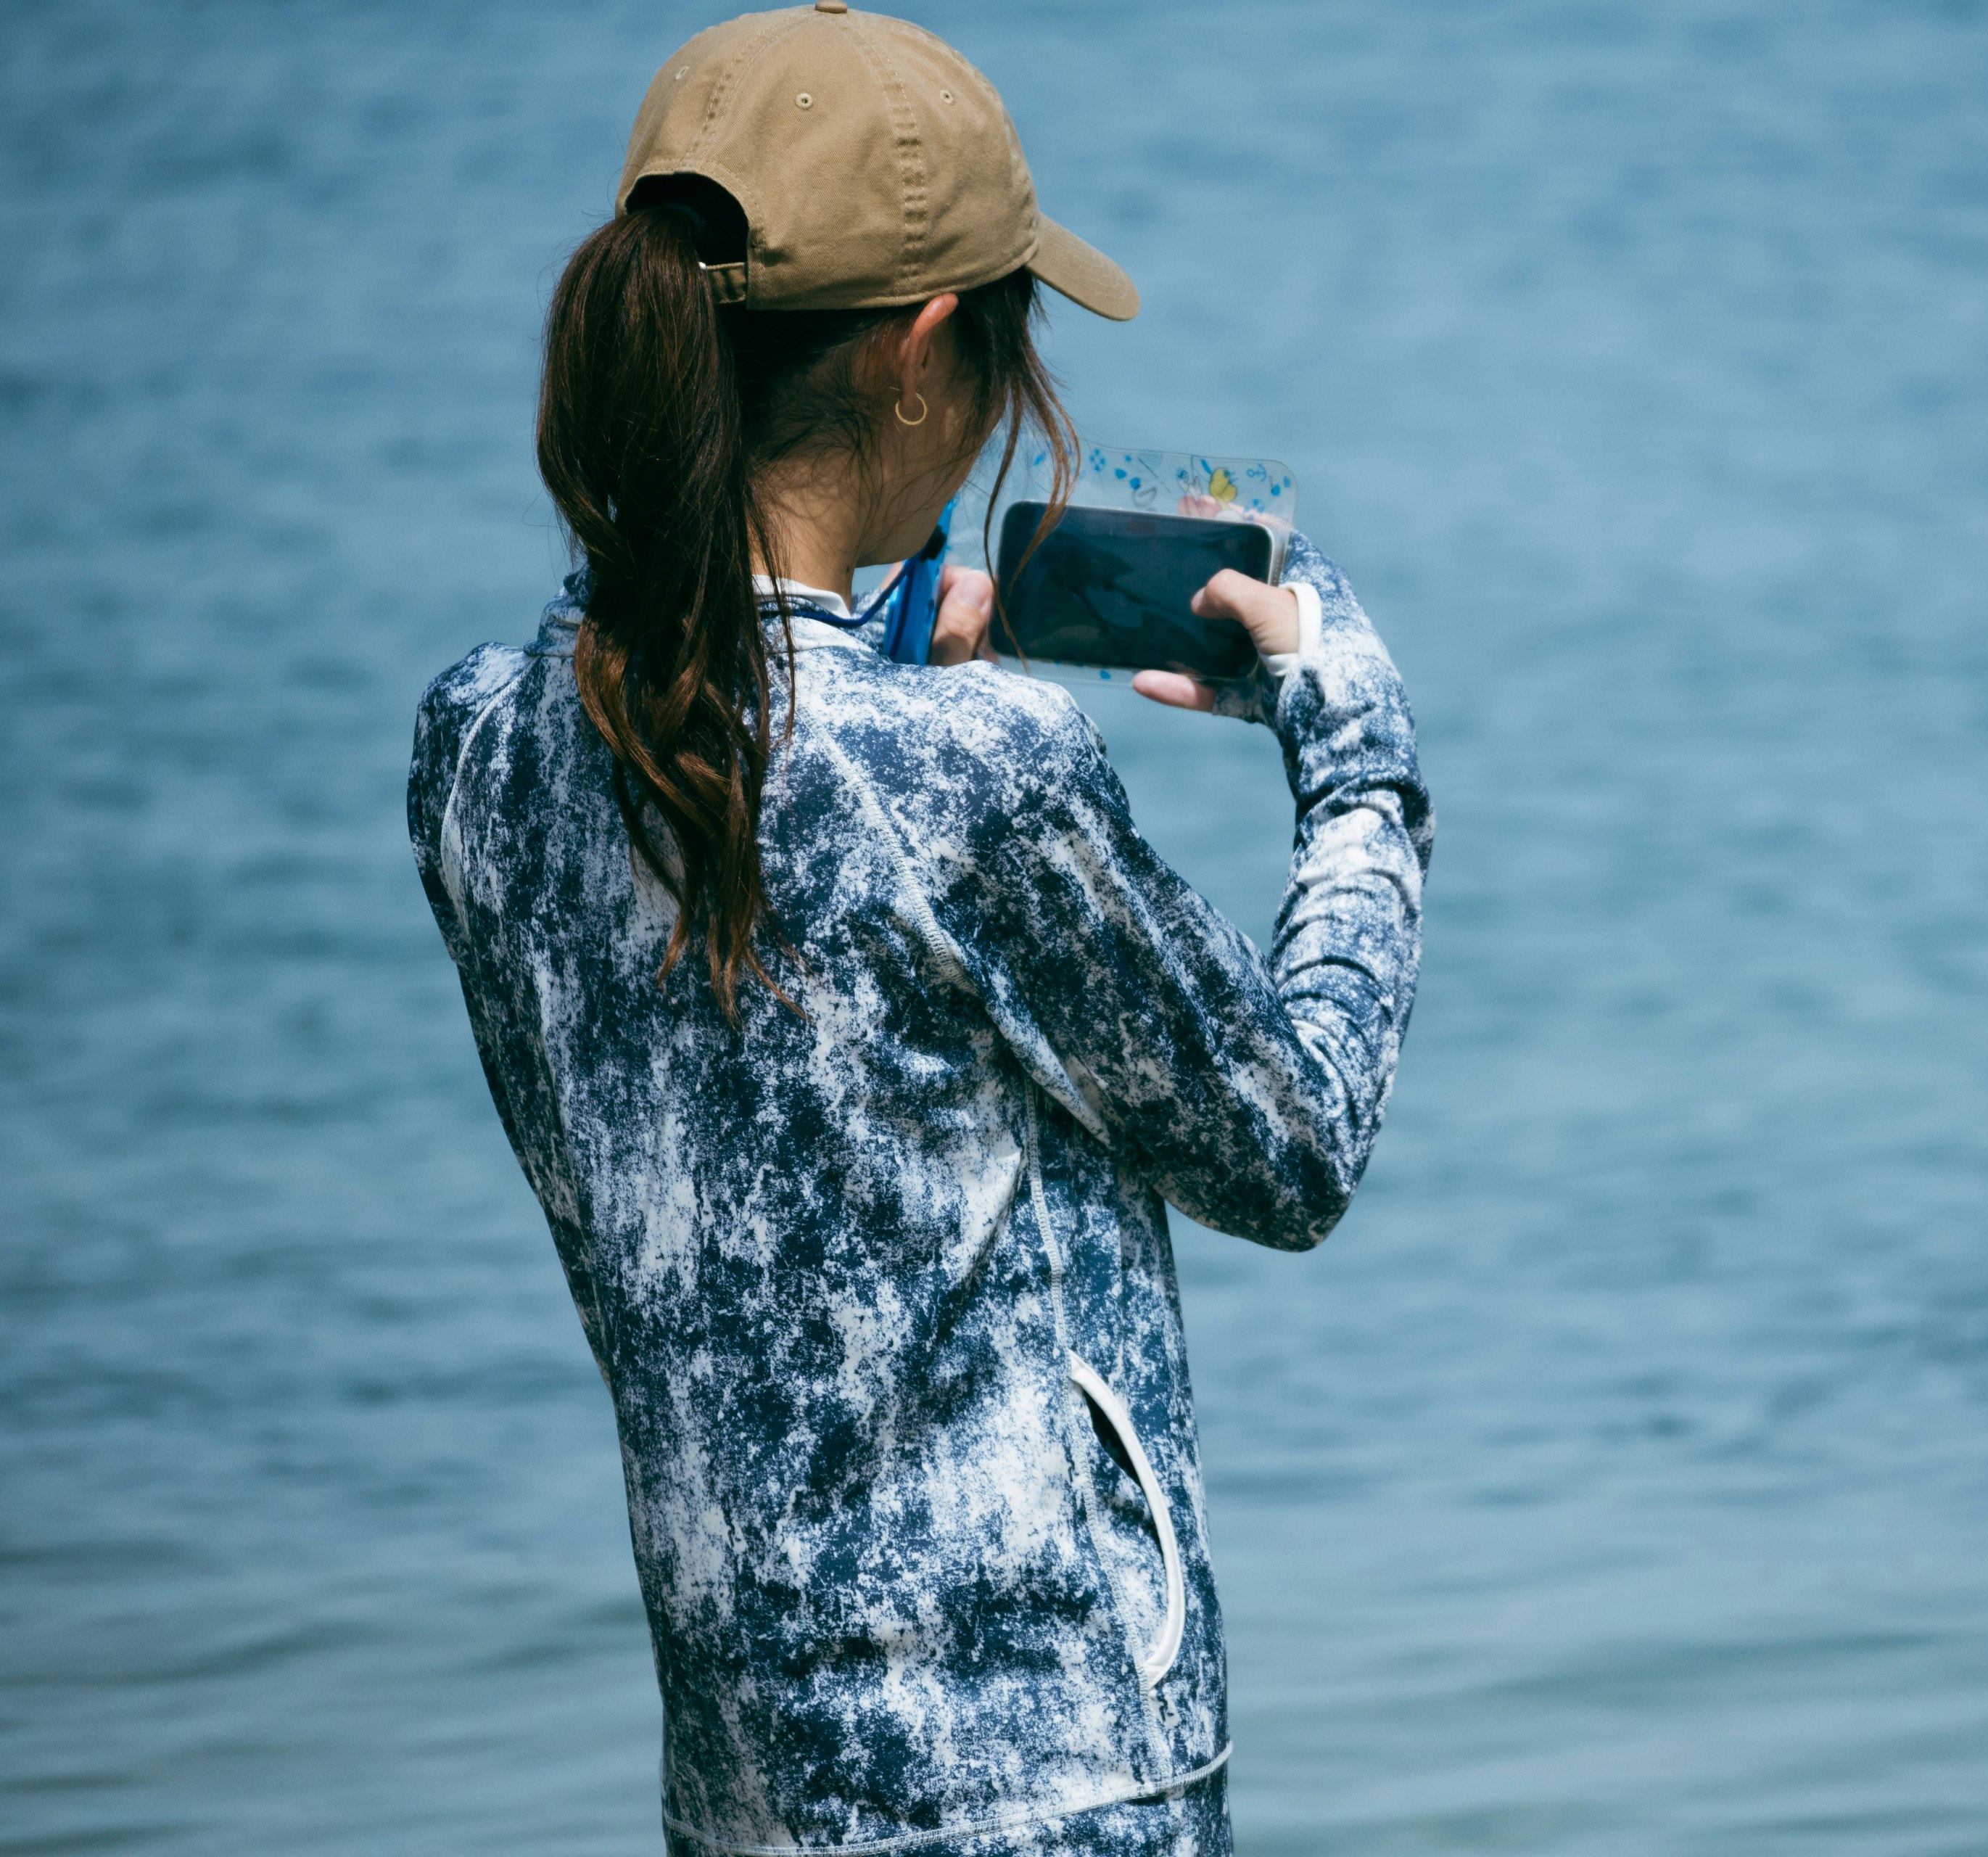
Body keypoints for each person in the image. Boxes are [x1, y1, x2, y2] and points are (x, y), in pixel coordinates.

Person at [404, 7, 1431, 1853]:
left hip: (742, 1787)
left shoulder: (474, 746)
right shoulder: (978, 774)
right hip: (1055, 1779)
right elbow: (1294, 1146)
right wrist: (1356, 755)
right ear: (922, 349)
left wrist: (858, 665)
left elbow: (744, 830)